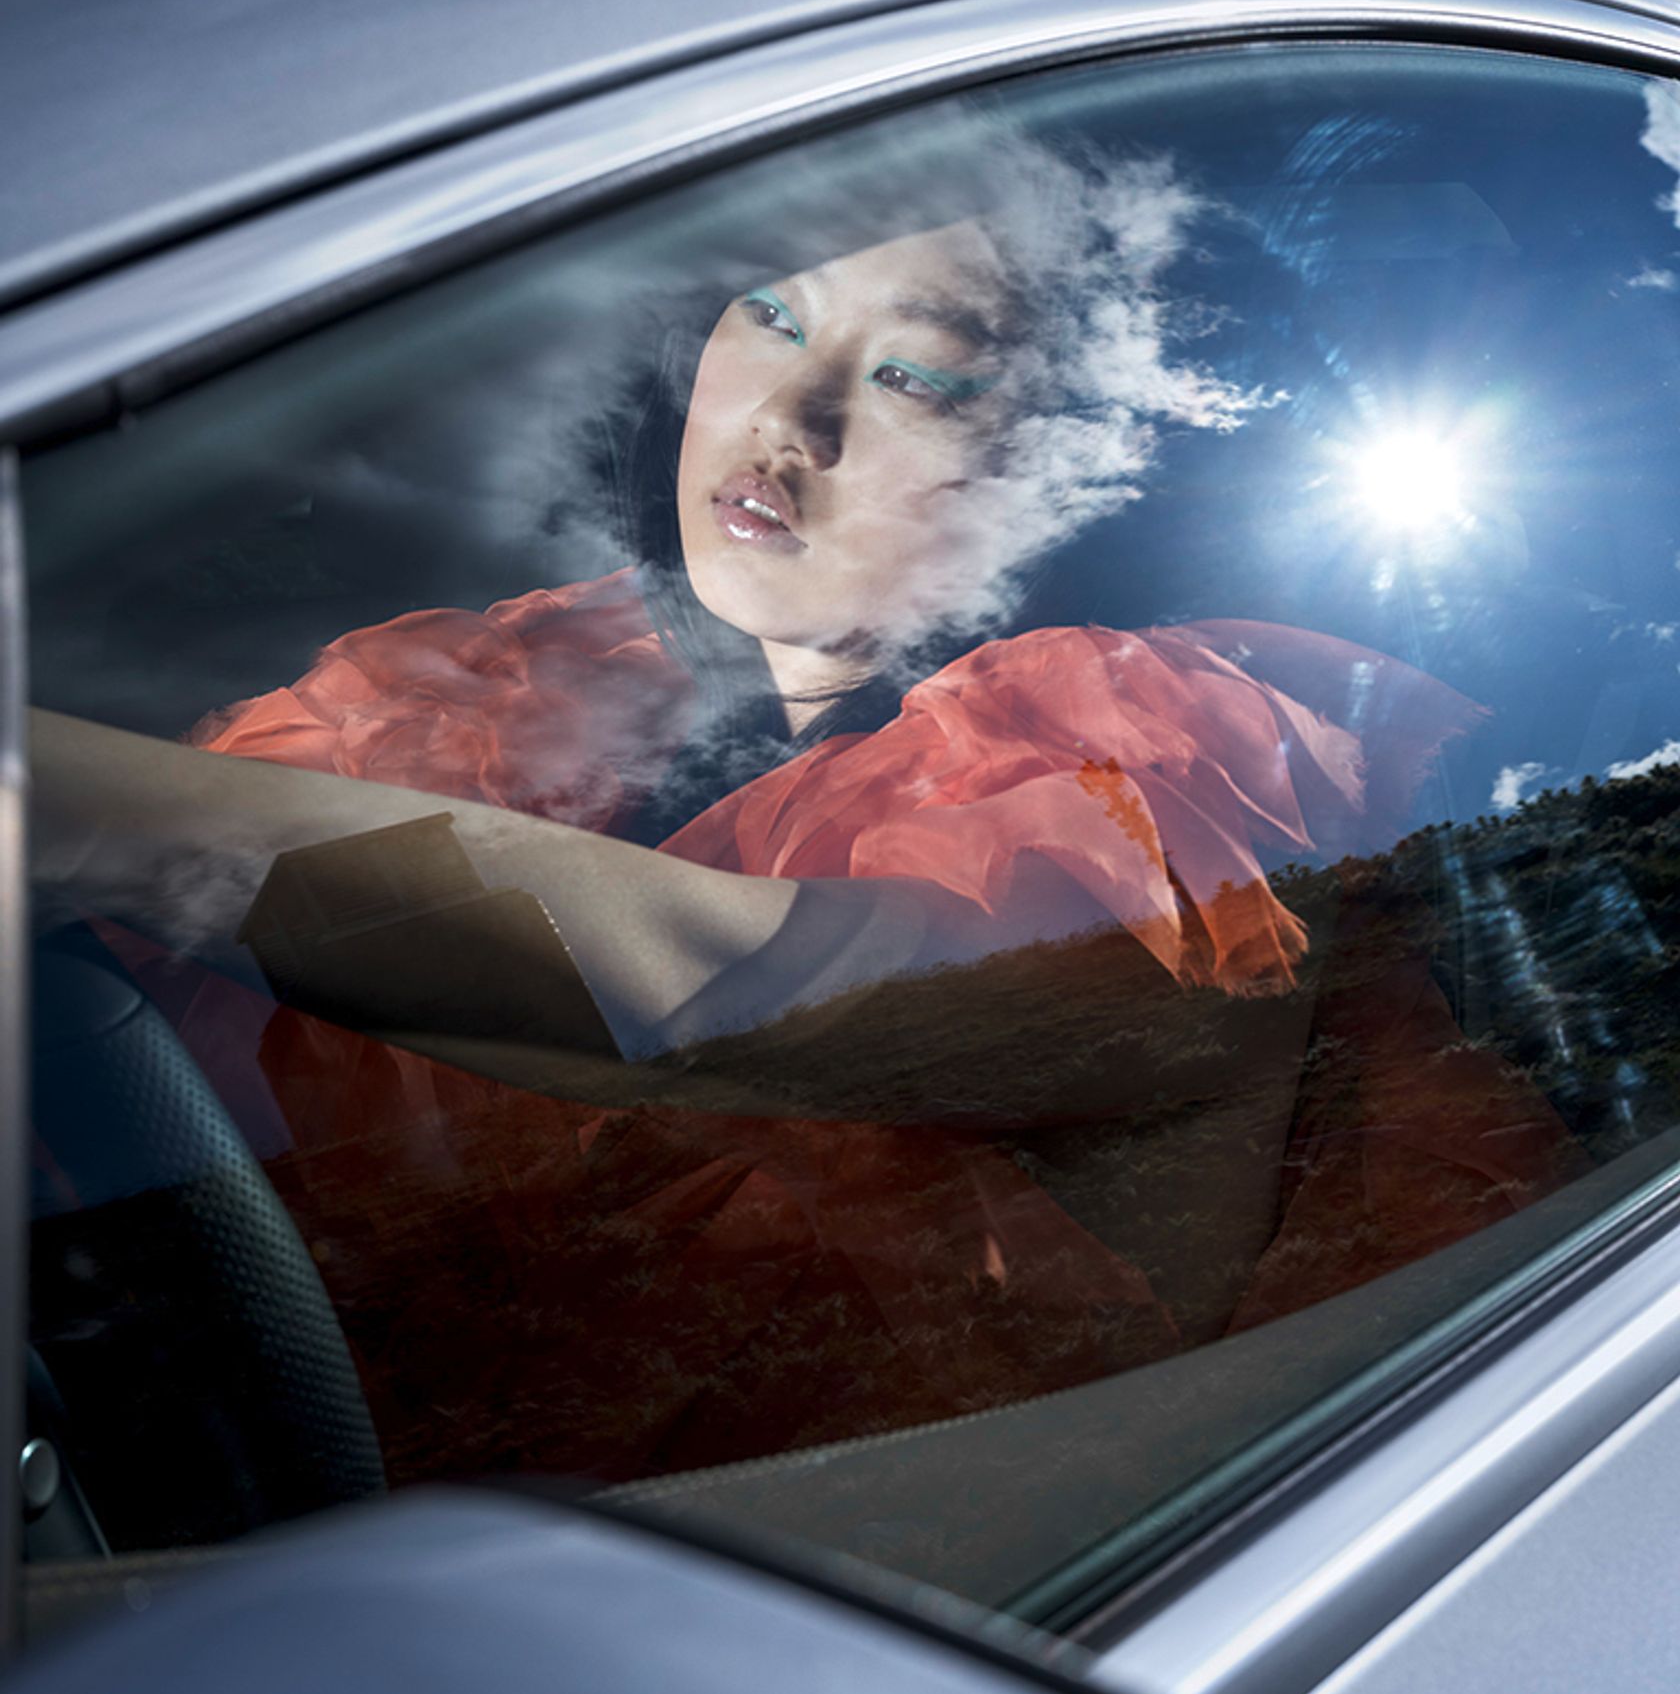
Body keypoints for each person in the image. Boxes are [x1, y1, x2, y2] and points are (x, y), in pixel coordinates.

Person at [30, 140, 1580, 1489]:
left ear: (1078, 460)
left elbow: (739, 993)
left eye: (915, 375)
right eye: (771, 310)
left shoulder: (1162, 780)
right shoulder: (508, 686)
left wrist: (61, 798)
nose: (794, 416)